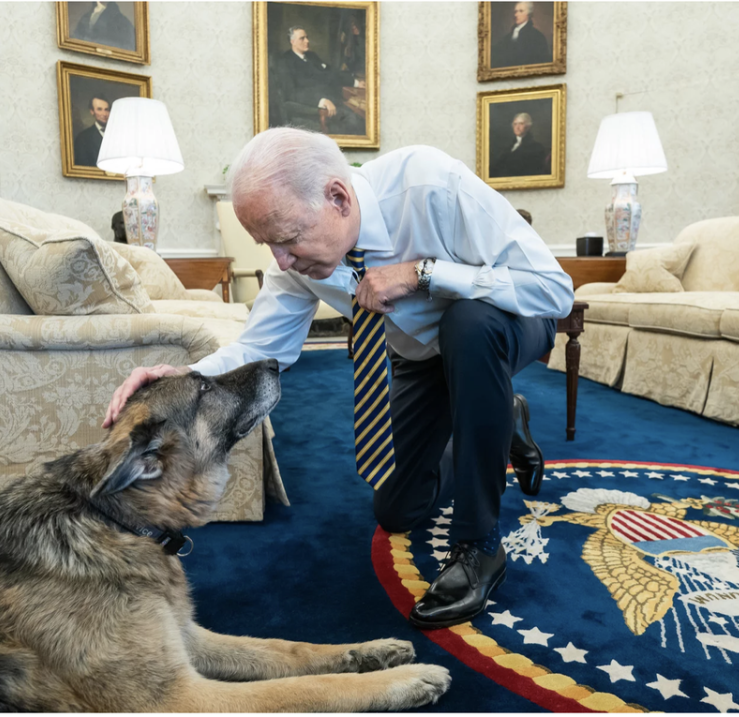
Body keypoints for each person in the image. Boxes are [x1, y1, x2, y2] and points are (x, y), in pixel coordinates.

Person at [103, 128, 574, 629]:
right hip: (422, 357)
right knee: (396, 510)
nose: (280, 261)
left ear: (338, 197)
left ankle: (478, 546)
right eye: (268, 245)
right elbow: (264, 349)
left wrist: (425, 273)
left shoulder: (432, 186)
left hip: (507, 323)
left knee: (469, 324)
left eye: (286, 240)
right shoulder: (296, 259)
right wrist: (185, 375)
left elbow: (554, 292)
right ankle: (504, 420)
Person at [277, 26, 365, 135]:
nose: (307, 41)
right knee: (355, 121)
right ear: (292, 41)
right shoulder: (284, 62)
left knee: (360, 117)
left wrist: (355, 82)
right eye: (302, 38)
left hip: (333, 101)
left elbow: (331, 73)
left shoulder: (312, 56)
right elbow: (291, 93)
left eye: (307, 37)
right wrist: (320, 100)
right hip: (314, 110)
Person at [492, 2, 552, 68]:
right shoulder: (508, 37)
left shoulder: (537, 37)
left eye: (521, 11)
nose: (516, 14)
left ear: (528, 14)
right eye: (515, 11)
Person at [490, 112, 549, 178]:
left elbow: (534, 172)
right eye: (515, 124)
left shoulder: (537, 147)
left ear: (528, 126)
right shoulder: (507, 147)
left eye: (521, 124)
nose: (517, 127)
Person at [73, 96, 110, 168]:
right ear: (92, 112)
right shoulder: (83, 137)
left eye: (106, 110)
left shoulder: (118, 136)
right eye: (99, 109)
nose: (104, 114)